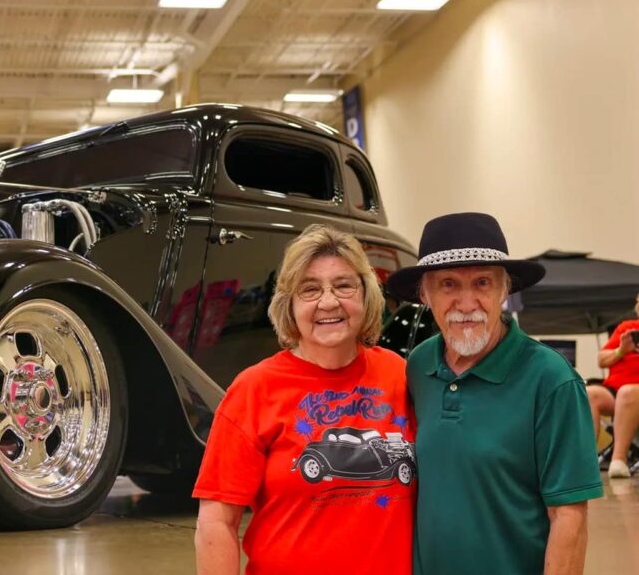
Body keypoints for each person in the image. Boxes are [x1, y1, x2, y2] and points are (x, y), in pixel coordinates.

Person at [387, 213, 602, 575]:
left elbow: (569, 516)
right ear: (425, 294)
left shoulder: (551, 380)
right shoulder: (418, 366)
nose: (466, 303)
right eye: (448, 284)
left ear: (506, 290)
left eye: (483, 282)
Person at [193, 224, 414, 575]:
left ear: (366, 295)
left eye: (344, 285)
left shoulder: (400, 375)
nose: (329, 302)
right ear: (289, 305)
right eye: (310, 290)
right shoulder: (255, 389)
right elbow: (216, 522)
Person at [586, 294, 639, 478]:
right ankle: (585, 459)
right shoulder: (627, 329)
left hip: (633, 391)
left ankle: (619, 459)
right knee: (589, 393)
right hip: (614, 389)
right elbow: (602, 360)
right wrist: (621, 350)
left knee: (628, 392)